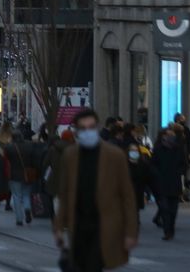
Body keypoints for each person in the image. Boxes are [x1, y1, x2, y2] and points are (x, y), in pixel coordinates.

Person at [54, 109, 138, 272]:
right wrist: (58, 226)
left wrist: (130, 232)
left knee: (94, 265)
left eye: (91, 127)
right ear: (77, 131)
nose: (88, 132)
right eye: (83, 128)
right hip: (78, 225)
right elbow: (64, 194)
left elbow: (127, 195)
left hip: (103, 225)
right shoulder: (70, 156)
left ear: (97, 128)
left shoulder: (115, 155)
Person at [150, 126, 184, 240]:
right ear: (163, 137)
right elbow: (153, 164)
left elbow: (183, 163)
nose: (171, 137)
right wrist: (157, 176)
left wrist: (179, 171)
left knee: (173, 210)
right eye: (168, 135)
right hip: (162, 183)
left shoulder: (178, 149)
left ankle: (171, 228)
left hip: (175, 182)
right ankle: (167, 231)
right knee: (165, 209)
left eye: (172, 135)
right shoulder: (158, 149)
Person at [1, 130, 34, 226]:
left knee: (16, 196)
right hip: (27, 174)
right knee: (26, 194)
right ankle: (27, 209)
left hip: (14, 174)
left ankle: (19, 219)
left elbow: (4, 160)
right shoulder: (29, 145)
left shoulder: (9, 147)